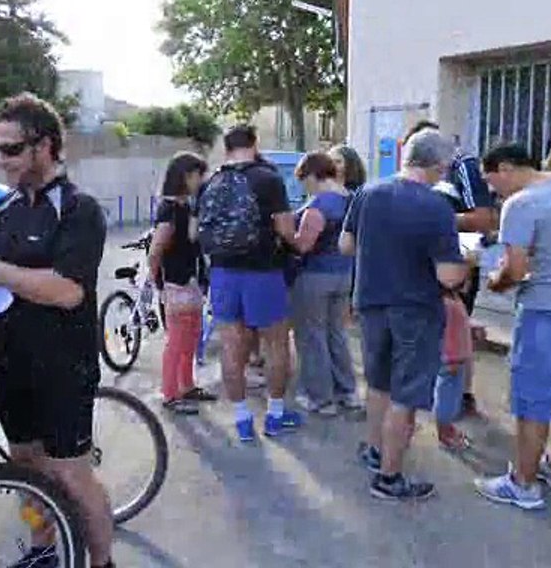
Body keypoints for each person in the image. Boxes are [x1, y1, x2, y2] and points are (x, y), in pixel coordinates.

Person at [0, 92, 114, 568]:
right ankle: (43, 552)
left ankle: (102, 562)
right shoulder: (7, 210)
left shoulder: (78, 209)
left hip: (63, 366)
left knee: (72, 476)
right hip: (11, 362)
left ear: (46, 146)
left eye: (11, 149)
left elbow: (67, 291)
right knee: (25, 470)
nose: (0, 159)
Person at [340, 128, 466, 501]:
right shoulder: (436, 207)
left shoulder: (368, 192)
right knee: (406, 395)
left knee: (378, 383)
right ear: (440, 166)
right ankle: (389, 478)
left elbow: (346, 245)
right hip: (415, 309)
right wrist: (465, 265)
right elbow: (448, 275)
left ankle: (375, 448)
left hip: (371, 302)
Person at [474, 143, 551, 511]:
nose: (492, 189)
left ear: (506, 168)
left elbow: (515, 270)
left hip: (546, 309)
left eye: (490, 179)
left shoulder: (521, 204)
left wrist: (494, 281)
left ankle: (523, 484)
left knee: (533, 398)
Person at [198, 124, 307, 442]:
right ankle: (274, 415)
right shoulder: (267, 178)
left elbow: (196, 232)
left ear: (227, 147)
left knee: (232, 347)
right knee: (276, 344)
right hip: (263, 271)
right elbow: (286, 229)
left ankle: (243, 420)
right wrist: (297, 244)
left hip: (222, 273)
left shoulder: (211, 182)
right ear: (254, 144)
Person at [404, 120, 496, 419]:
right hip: (442, 261)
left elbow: (482, 218)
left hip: (458, 263)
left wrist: (432, 218)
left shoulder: (463, 166)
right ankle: (447, 399)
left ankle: (454, 403)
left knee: (454, 335)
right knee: (449, 333)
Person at [289, 151, 360, 416]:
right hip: (344, 274)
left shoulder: (319, 205)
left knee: (312, 336)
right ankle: (347, 391)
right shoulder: (351, 199)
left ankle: (320, 398)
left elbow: (304, 244)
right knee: (337, 334)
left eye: (303, 180)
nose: (303, 186)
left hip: (315, 276)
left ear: (311, 175)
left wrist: (288, 234)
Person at [148, 151, 217, 414]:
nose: (202, 180)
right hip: (175, 282)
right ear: (186, 175)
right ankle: (170, 393)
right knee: (177, 340)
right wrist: (159, 285)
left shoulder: (185, 206)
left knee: (191, 336)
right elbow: (156, 250)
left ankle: (186, 386)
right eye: (199, 175)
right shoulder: (170, 209)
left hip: (189, 280)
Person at [434, 290, 474, 451]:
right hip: (452, 358)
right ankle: (445, 433)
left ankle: (446, 429)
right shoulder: (447, 303)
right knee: (447, 395)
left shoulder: (451, 299)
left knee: (448, 393)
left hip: (455, 356)